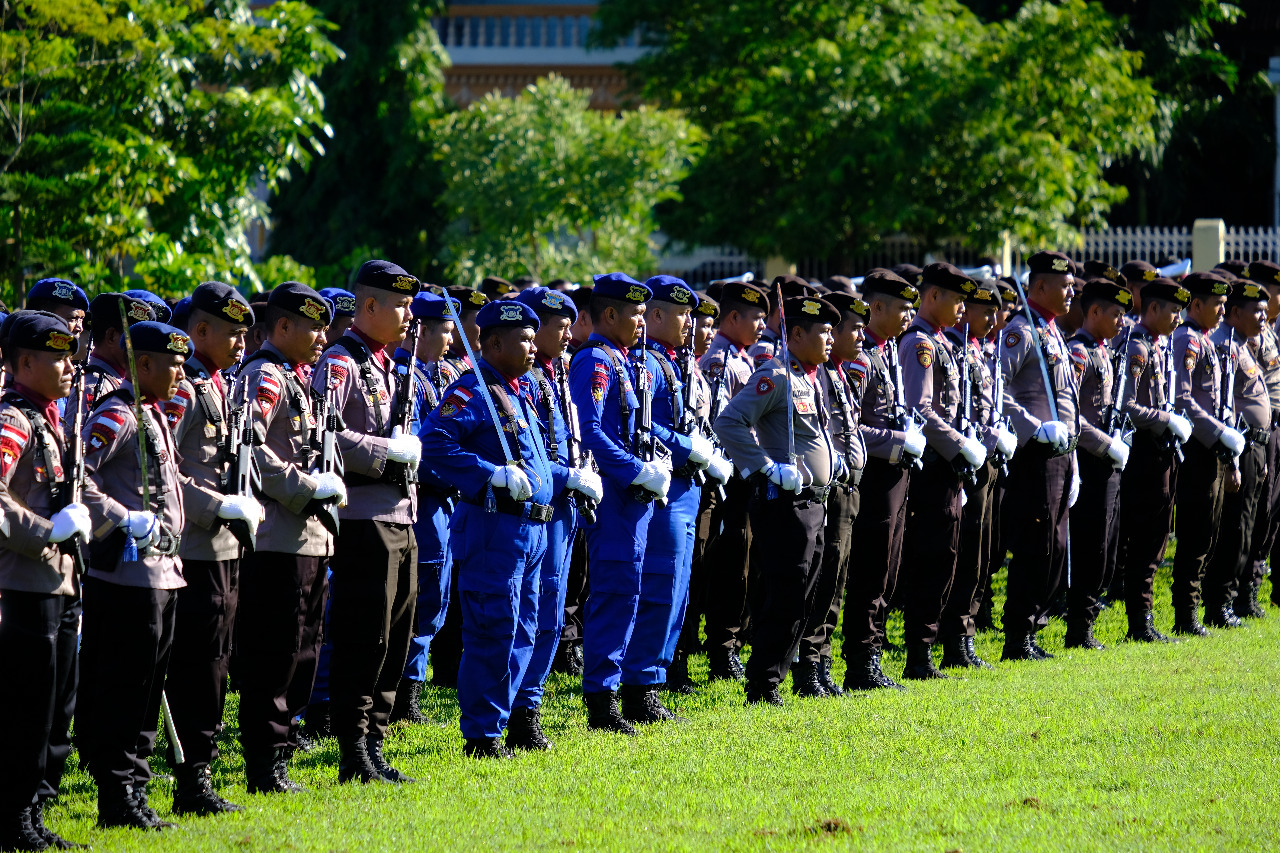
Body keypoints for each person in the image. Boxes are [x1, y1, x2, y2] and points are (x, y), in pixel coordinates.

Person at [421, 299, 598, 757]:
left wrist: (566, 478)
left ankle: (510, 720)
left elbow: (535, 465)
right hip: (494, 529)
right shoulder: (472, 391)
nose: (531, 346)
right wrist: (487, 474)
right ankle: (482, 734)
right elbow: (433, 443)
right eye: (522, 338)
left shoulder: (518, 391)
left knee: (527, 628)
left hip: (534, 531)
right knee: (492, 630)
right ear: (492, 342)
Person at [312, 260, 421, 784]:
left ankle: (374, 740)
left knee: (396, 635)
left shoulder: (386, 364)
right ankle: (352, 748)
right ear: (369, 306)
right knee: (364, 636)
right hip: (363, 519)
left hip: (400, 516)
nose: (407, 315)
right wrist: (386, 450)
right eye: (398, 305)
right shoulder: (341, 361)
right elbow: (325, 435)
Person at [79, 320, 190, 830]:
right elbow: (78, 480)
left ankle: (136, 791)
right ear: (142, 364)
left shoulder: (153, 414)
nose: (180, 372)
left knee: (148, 691)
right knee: (124, 689)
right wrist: (122, 518)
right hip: (127, 580)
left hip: (162, 575)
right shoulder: (117, 413)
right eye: (171, 363)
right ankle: (117, 796)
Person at [233, 282, 343, 793]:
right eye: (314, 326)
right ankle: (265, 761)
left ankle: (282, 744)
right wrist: (306, 487)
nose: (323, 336)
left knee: (303, 651)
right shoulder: (266, 377)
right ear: (282, 327)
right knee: (274, 655)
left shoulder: (299, 379)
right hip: (278, 538)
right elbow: (251, 451)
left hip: (310, 537)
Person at [162, 282, 262, 815]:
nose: (242, 343)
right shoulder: (185, 388)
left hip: (225, 548)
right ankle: (190, 778)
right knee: (199, 664)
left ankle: (199, 768)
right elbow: (165, 468)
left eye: (247, 333)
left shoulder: (219, 384)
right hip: (196, 546)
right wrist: (214, 506)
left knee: (219, 661)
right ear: (200, 331)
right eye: (232, 332)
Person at [715, 296, 843, 705]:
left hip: (815, 502)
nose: (830, 338)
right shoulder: (777, 375)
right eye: (822, 332)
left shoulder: (809, 376)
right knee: (785, 595)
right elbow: (729, 421)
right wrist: (765, 466)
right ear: (798, 334)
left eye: (831, 331)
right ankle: (763, 683)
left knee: (804, 594)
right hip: (787, 504)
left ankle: (776, 676)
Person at [0, 312, 95, 851]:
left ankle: (30, 811)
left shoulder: (50, 417)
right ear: (25, 363)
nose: (67, 365)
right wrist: (45, 529)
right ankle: (13, 818)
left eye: (69, 353)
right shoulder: (14, 420)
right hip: (25, 584)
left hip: (58, 583)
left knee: (53, 704)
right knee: (25, 708)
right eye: (55, 356)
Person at [621, 276, 730, 721]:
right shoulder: (645, 362)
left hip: (691, 486)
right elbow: (645, 428)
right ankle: (640, 686)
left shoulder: (681, 361)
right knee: (660, 586)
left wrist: (706, 453)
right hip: (667, 487)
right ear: (657, 315)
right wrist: (688, 448)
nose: (691, 322)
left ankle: (657, 678)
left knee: (679, 590)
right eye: (682, 314)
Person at [567, 273, 672, 733]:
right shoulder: (595, 361)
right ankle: (602, 700)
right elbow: (591, 433)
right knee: (613, 594)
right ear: (609, 314)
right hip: (614, 499)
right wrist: (635, 469)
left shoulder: (625, 360)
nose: (642, 323)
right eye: (634, 314)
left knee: (632, 592)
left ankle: (629, 691)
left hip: (637, 499)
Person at [897, 263, 989, 679]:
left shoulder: (940, 341)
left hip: (948, 467)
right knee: (932, 557)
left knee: (948, 556)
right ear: (932, 297)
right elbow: (921, 410)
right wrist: (959, 444)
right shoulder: (921, 344)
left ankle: (933, 648)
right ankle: (919, 654)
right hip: (932, 469)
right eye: (956, 299)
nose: (962, 309)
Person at [506, 286, 588, 748]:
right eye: (557, 327)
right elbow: (528, 456)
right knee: (533, 614)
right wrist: (566, 476)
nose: (565, 334)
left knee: (553, 615)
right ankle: (518, 708)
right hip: (543, 507)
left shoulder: (553, 376)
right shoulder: (525, 382)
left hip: (566, 507)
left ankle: (529, 705)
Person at [841, 269, 922, 690]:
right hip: (873, 476)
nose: (911, 314)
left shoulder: (887, 352)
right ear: (877, 308)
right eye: (904, 307)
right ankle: (860, 661)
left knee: (888, 569)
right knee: (871, 569)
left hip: (896, 473)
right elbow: (849, 426)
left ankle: (872, 652)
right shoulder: (860, 356)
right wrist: (897, 439)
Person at [997, 251, 1080, 661]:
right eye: (1065, 285)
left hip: (1061, 455)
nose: (1072, 292)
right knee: (1036, 543)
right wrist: (1032, 426)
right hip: (1035, 455)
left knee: (1057, 544)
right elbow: (1000, 391)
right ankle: (1018, 635)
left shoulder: (1052, 330)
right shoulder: (1021, 331)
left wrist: (1075, 460)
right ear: (1040, 286)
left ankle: (1035, 626)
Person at [392, 291, 463, 724]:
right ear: (422, 330)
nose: (452, 341)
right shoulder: (404, 375)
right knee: (419, 598)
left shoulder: (438, 373)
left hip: (444, 502)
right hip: (422, 500)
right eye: (445, 331)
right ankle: (403, 694)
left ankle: (410, 690)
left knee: (435, 598)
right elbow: (422, 449)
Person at [695, 280, 769, 681]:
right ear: (734, 317)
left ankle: (727, 644)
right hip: (722, 478)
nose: (762, 325)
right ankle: (715, 649)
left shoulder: (741, 357)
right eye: (756, 318)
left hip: (742, 477)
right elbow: (714, 424)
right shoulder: (719, 360)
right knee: (718, 565)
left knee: (740, 560)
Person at [940, 281, 1015, 668]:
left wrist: (998, 433)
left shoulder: (981, 350)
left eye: (995, 311)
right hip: (964, 459)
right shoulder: (951, 348)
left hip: (987, 460)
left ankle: (966, 635)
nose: (992, 318)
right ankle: (954, 638)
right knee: (966, 550)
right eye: (984, 311)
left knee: (982, 552)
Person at [796, 291, 868, 696]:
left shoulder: (838, 371)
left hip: (849, 486)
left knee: (837, 576)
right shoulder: (817, 374)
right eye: (852, 329)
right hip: (831, 488)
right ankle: (809, 664)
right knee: (823, 578)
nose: (861, 336)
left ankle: (822, 660)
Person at [1116, 277, 1190, 641]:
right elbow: (1127, 405)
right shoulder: (1138, 348)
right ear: (1154, 308)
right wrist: (1165, 420)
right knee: (1145, 536)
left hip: (1163, 451)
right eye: (1173, 310)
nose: (1178, 317)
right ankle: (1139, 622)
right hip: (1144, 452)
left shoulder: (1157, 346)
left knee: (1158, 535)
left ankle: (1143, 619)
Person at [1168, 271, 1241, 633]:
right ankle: (1186, 614)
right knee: (1196, 532)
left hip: (1213, 447)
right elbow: (1183, 399)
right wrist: (1218, 433)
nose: (1223, 310)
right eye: (1217, 304)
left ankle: (1193, 609)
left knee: (1209, 530)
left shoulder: (1207, 341)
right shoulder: (1187, 340)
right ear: (1195, 304)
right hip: (1197, 449)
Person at [1063, 278, 1133, 650]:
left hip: (1108, 457)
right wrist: (1107, 445)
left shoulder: (1104, 350)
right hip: (1090, 458)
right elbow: (1072, 414)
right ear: (1094, 312)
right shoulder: (1079, 352)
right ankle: (1079, 627)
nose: (1122, 321)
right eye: (1116, 314)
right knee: (1090, 546)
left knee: (1105, 544)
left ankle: (1087, 619)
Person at [1203, 279, 1271, 624]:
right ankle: (1219, 603)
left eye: (1264, 310)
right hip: (1238, 447)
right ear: (1235, 313)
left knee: (1248, 525)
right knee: (1234, 527)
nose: (1263, 316)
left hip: (1255, 445)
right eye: (1256, 311)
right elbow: (1224, 405)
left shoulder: (1243, 344)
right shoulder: (1225, 346)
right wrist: (1232, 461)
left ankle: (1232, 598)